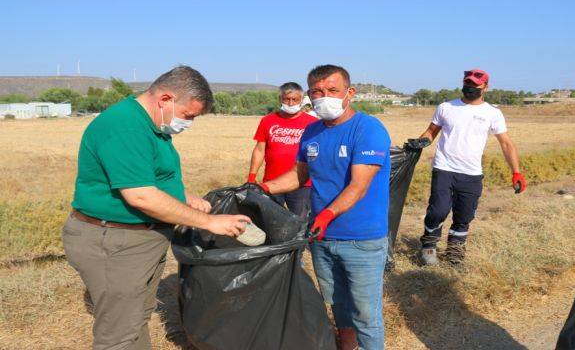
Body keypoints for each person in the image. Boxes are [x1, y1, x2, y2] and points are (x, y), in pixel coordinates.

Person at [63, 66, 250, 350]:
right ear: (166, 99)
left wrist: (183, 195)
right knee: (118, 335)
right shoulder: (125, 126)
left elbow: (150, 176)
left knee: (136, 317)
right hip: (115, 242)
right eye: (189, 115)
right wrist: (208, 221)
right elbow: (140, 195)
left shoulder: (151, 125)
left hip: (139, 239)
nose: (189, 123)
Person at [256, 65, 391, 350]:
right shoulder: (312, 131)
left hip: (361, 238)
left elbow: (359, 185)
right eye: (317, 92)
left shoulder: (368, 129)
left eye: (332, 90)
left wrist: (328, 214)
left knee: (365, 313)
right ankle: (347, 346)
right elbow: (300, 175)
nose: (324, 97)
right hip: (322, 237)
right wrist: (263, 187)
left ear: (349, 93)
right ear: (309, 94)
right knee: (338, 305)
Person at [418, 69, 526, 266]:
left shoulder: (493, 113)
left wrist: (516, 172)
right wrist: (420, 143)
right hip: (444, 168)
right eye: (467, 83)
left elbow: (506, 144)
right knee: (438, 210)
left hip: (472, 173)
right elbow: (431, 132)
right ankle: (429, 246)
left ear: (485, 87)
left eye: (475, 84)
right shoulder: (446, 107)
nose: (470, 87)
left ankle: (455, 251)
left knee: (464, 215)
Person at [247, 82, 317, 218]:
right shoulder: (267, 121)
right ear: (280, 99)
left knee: (300, 224)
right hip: (272, 182)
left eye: (295, 99)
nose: (291, 103)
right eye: (287, 99)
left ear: (301, 100)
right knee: (270, 222)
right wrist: (251, 177)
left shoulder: (312, 123)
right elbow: (259, 150)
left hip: (301, 184)